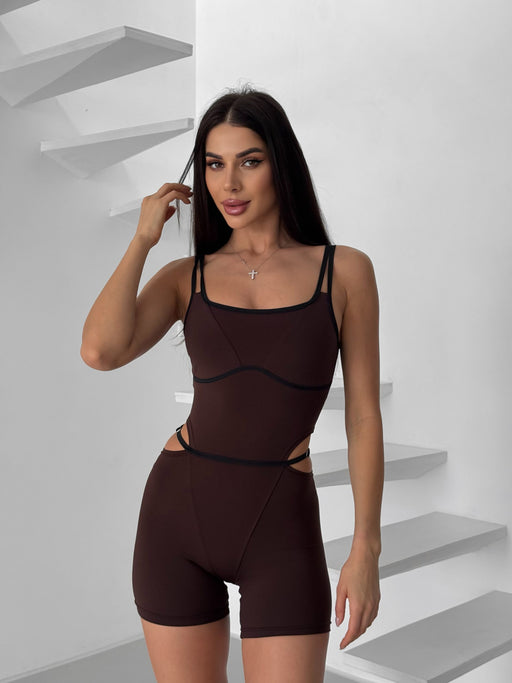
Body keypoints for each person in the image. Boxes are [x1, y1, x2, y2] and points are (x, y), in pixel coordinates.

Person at [80, 85, 383, 683]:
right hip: (178, 514)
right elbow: (100, 351)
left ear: (281, 163)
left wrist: (365, 546)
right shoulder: (185, 277)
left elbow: (363, 415)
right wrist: (142, 240)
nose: (230, 184)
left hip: (281, 524)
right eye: (214, 165)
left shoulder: (344, 270)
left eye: (249, 161)